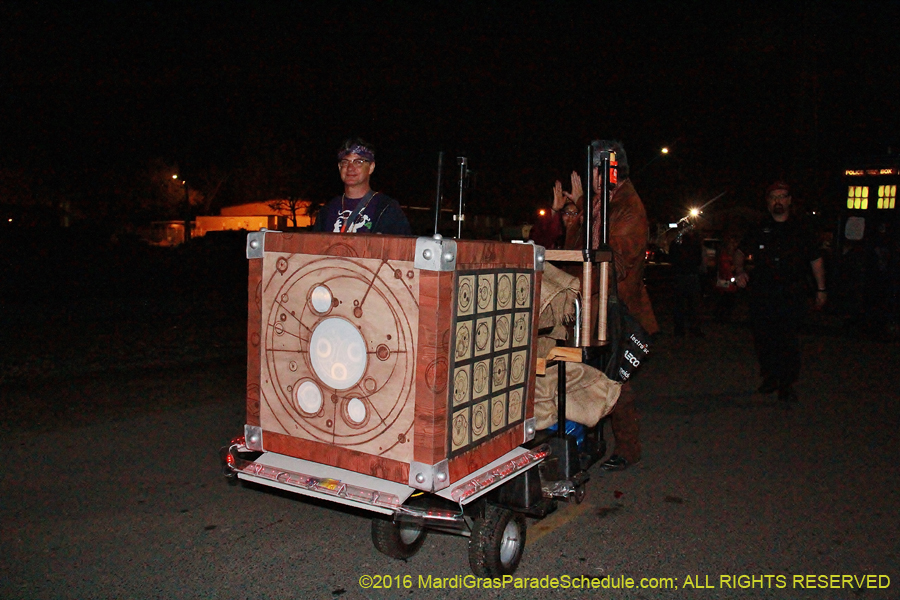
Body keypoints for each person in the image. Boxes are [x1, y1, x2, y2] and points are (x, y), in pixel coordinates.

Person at [557, 140, 660, 471]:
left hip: (619, 310)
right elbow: (577, 252)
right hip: (596, 305)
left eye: (596, 171)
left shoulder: (628, 209)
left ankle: (628, 448)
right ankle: (588, 440)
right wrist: (573, 213)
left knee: (615, 381)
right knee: (591, 373)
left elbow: (610, 265)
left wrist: (569, 290)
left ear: (609, 172)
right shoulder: (602, 204)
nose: (591, 179)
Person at [733, 181, 826, 405]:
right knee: (764, 338)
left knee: (787, 339)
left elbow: (816, 260)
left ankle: (786, 384)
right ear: (767, 202)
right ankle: (770, 376)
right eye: (774, 197)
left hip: (791, 292)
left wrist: (821, 289)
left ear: (790, 200)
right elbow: (740, 251)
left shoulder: (802, 229)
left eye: (782, 196)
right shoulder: (759, 228)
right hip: (763, 292)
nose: (778, 201)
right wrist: (740, 271)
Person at [313, 138, 411, 235]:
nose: (350, 168)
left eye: (358, 162)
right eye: (345, 162)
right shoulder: (327, 211)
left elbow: (403, 247)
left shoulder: (387, 209)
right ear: (340, 167)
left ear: (371, 167)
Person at [668, 224, 705, 337]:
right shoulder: (692, 243)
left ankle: (681, 329)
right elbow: (698, 259)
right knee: (691, 304)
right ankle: (691, 329)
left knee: (683, 304)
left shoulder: (679, 243)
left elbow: (672, 258)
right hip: (688, 275)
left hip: (683, 275)